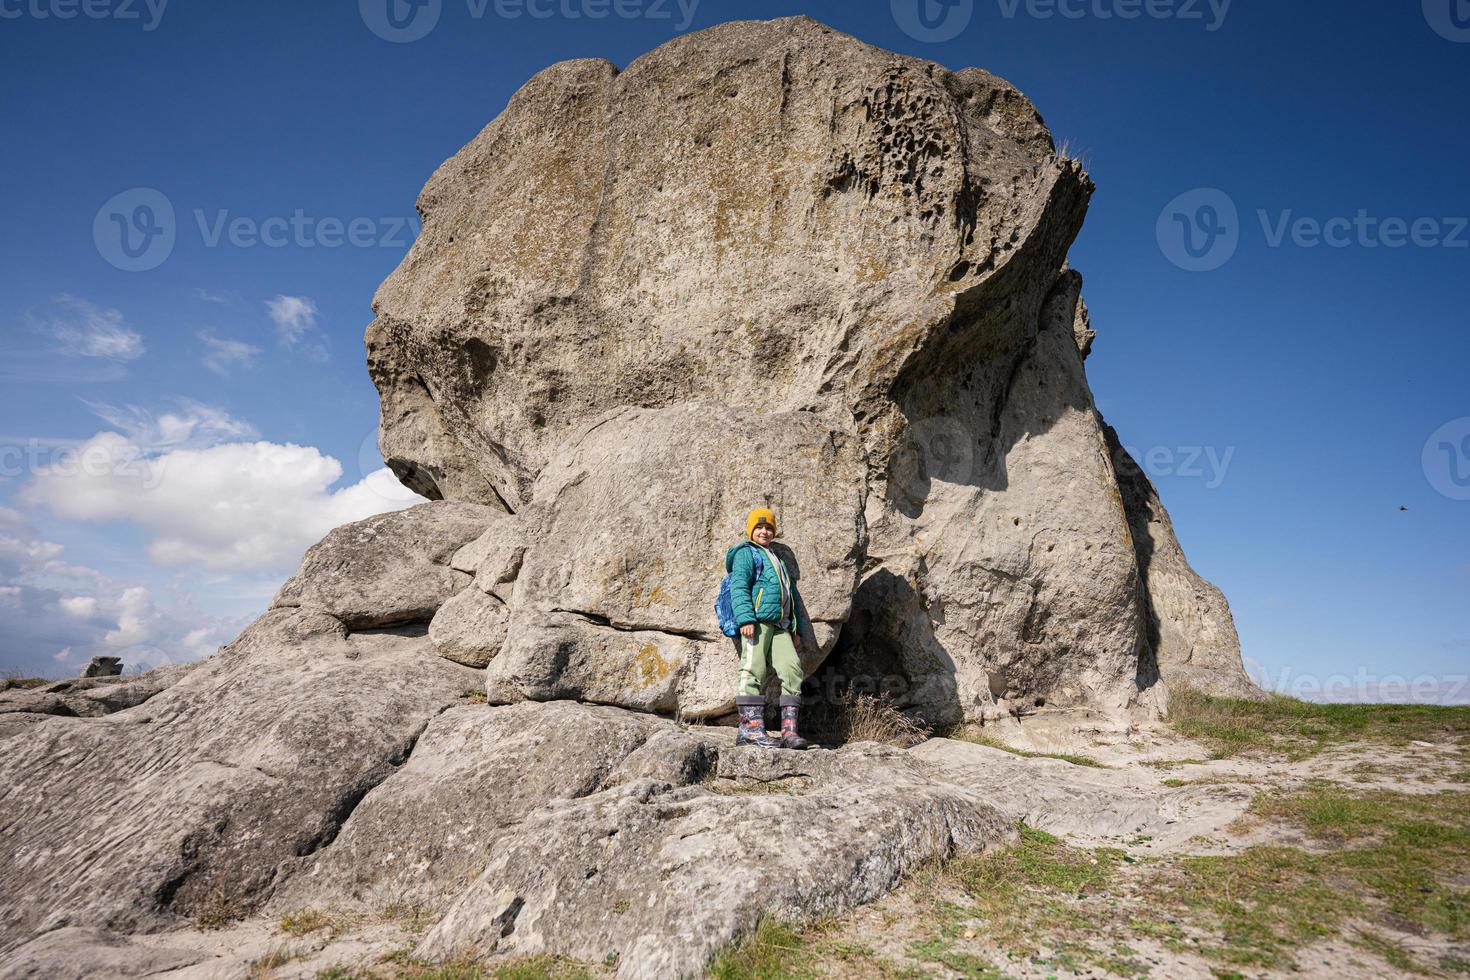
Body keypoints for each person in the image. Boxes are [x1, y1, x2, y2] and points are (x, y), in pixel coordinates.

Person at [725, 507, 813, 750]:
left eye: (768, 528)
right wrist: (745, 619)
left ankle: (789, 732)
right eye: (759, 527)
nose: (764, 531)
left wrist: (796, 629)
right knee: (753, 668)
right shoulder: (746, 553)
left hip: (779, 626)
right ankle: (750, 731)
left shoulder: (777, 557)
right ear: (751, 530)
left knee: (792, 668)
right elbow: (739, 586)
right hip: (756, 622)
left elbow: (791, 596)